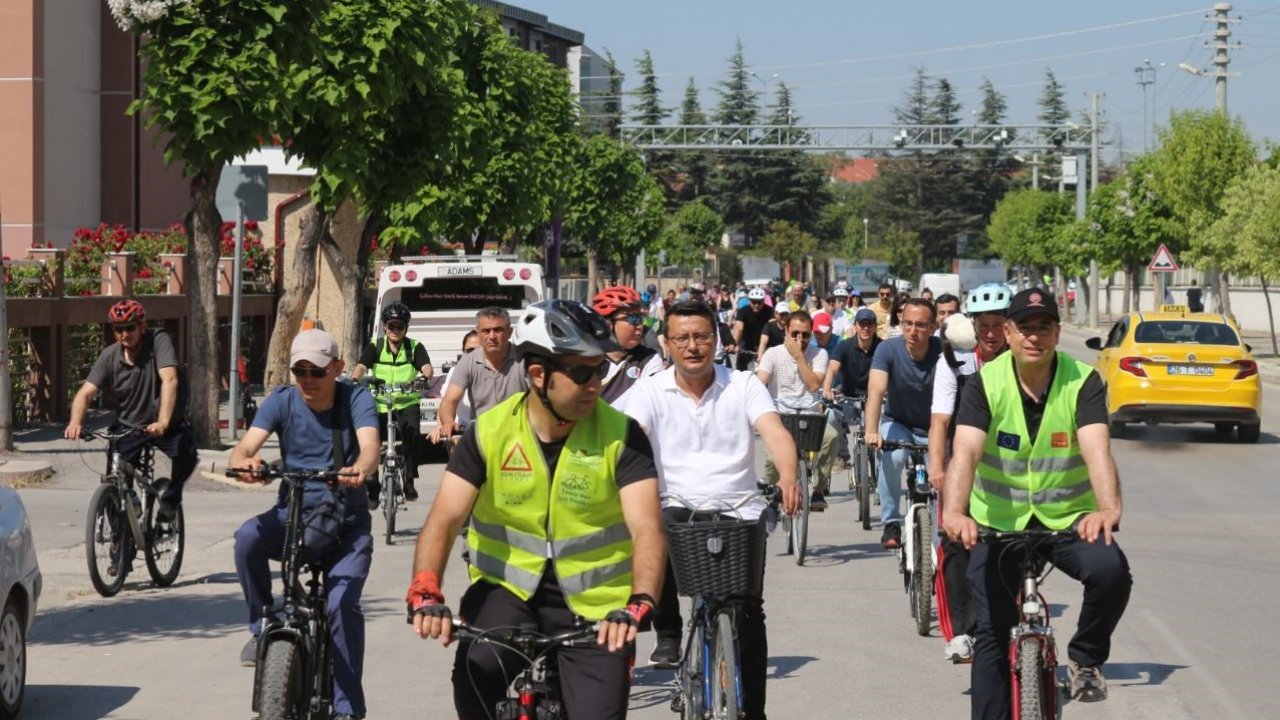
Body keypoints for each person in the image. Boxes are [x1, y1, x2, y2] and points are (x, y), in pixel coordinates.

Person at [407, 300, 666, 720]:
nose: (595, 385)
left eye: (599, 370)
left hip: (598, 607)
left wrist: (639, 600)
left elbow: (648, 529)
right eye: (581, 373)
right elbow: (444, 518)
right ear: (537, 374)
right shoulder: (490, 432)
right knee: (476, 673)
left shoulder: (622, 435)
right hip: (507, 591)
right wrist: (425, 589)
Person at [941, 288, 1132, 719]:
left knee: (1112, 573)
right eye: (1024, 328)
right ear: (1007, 333)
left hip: (1068, 522)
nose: (1033, 337)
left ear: (1057, 333)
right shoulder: (983, 384)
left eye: (1043, 328)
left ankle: (1084, 657)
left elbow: (1097, 450)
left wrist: (1107, 508)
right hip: (998, 525)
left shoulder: (1081, 381)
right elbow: (965, 451)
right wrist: (954, 512)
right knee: (991, 636)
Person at [623, 300, 800, 720]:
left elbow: (773, 431)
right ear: (666, 344)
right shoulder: (649, 390)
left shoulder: (742, 385)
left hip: (739, 510)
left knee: (749, 612)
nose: (693, 346)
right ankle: (670, 634)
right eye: (682, 338)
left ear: (717, 339)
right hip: (676, 508)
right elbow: (627, 440)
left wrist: (788, 476)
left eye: (702, 336)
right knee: (653, 540)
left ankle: (753, 711)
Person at [229, 328, 381, 720]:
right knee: (247, 538)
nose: (308, 380)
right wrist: (246, 463)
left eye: (316, 371)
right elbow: (244, 448)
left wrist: (359, 470)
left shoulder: (356, 398)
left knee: (341, 603)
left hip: (346, 523)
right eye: (300, 371)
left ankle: (348, 709)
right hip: (293, 515)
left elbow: (370, 449)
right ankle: (262, 624)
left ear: (337, 368)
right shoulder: (282, 401)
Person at [926, 284, 1011, 665]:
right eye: (984, 325)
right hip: (961, 461)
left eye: (999, 324)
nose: (991, 333)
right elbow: (940, 419)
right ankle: (961, 631)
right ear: (973, 327)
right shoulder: (954, 359)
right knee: (957, 542)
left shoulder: (1025, 356)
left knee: (1014, 542)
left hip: (1011, 464)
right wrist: (937, 466)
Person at [66, 299, 196, 523]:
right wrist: (75, 422)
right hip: (128, 427)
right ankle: (119, 542)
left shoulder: (158, 341)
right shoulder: (109, 356)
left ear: (142, 326)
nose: (124, 334)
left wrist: (163, 421)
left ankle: (170, 501)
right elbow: (85, 393)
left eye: (130, 327)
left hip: (160, 424)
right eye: (118, 329)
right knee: (113, 483)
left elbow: (170, 379)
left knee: (187, 453)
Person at [864, 298, 942, 548]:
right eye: (907, 323)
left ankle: (943, 526)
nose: (913, 331)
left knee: (943, 474)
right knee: (892, 457)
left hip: (935, 427)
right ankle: (891, 522)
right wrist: (871, 431)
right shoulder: (888, 350)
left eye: (920, 325)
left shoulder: (944, 351)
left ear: (932, 327)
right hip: (898, 422)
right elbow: (876, 391)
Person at [351, 301, 432, 502]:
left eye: (400, 326)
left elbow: (427, 368)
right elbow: (361, 366)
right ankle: (372, 479)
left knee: (412, 437)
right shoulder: (375, 346)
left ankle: (410, 480)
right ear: (385, 327)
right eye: (392, 326)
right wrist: (355, 378)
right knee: (369, 439)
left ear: (406, 328)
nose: (395, 330)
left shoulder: (415, 347)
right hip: (379, 401)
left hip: (406, 401)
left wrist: (423, 378)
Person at [757, 311, 838, 511]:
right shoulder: (773, 354)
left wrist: (799, 356)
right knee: (770, 458)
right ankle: (773, 495)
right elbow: (760, 383)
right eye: (794, 334)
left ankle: (818, 489)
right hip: (780, 415)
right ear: (786, 331)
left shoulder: (819, 354)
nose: (799, 339)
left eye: (805, 335)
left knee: (831, 437)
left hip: (809, 413)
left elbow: (813, 385)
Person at [431, 307, 526, 442]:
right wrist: (448, 422)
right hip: (481, 437)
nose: (492, 336)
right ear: (478, 334)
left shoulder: (524, 360)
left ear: (510, 332)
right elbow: (449, 401)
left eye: (498, 330)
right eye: (486, 331)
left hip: (518, 437)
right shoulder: (467, 362)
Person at [592, 285, 665, 408]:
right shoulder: (587, 359)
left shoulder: (649, 360)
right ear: (607, 324)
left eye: (641, 319)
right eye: (633, 319)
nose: (640, 325)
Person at [733, 287, 774, 371]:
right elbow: (739, 328)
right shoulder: (742, 311)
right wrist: (735, 344)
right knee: (742, 373)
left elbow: (773, 327)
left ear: (763, 301)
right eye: (753, 302)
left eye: (759, 302)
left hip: (764, 344)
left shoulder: (770, 311)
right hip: (747, 344)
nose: (756, 305)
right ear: (749, 301)